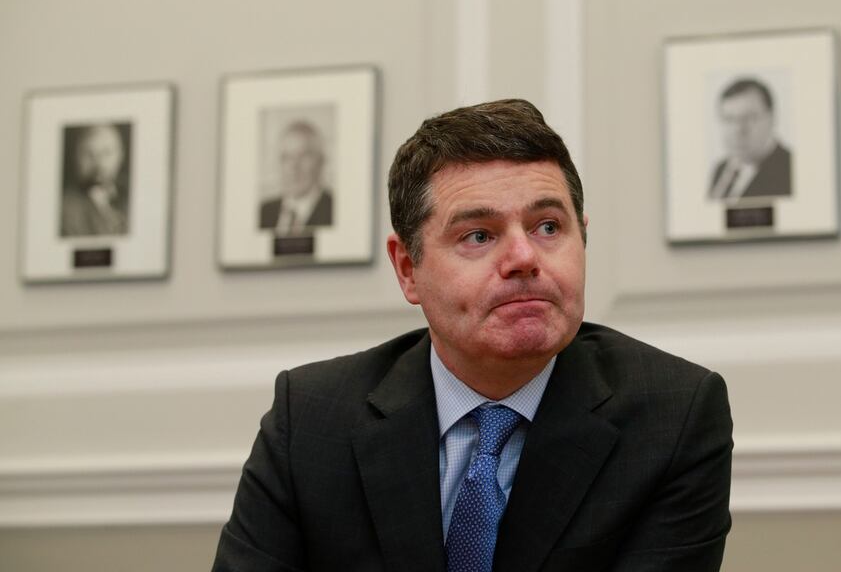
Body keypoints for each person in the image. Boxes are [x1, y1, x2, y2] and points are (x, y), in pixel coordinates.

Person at [213, 99, 733, 572]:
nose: (525, 258)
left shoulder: (675, 415)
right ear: (408, 269)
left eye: (548, 226)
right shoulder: (309, 418)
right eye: (479, 235)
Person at [708, 78, 792, 201]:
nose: (738, 130)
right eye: (729, 119)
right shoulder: (720, 169)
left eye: (750, 118)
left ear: (772, 118)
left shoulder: (789, 171)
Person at [259, 120, 334, 234]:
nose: (293, 167)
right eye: (286, 158)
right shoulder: (263, 212)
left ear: (321, 161)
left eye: (303, 156)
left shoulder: (335, 210)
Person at [60, 124, 130, 237]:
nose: (98, 163)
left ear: (121, 155)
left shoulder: (132, 196)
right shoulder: (65, 209)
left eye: (106, 153)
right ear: (76, 157)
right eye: (88, 154)